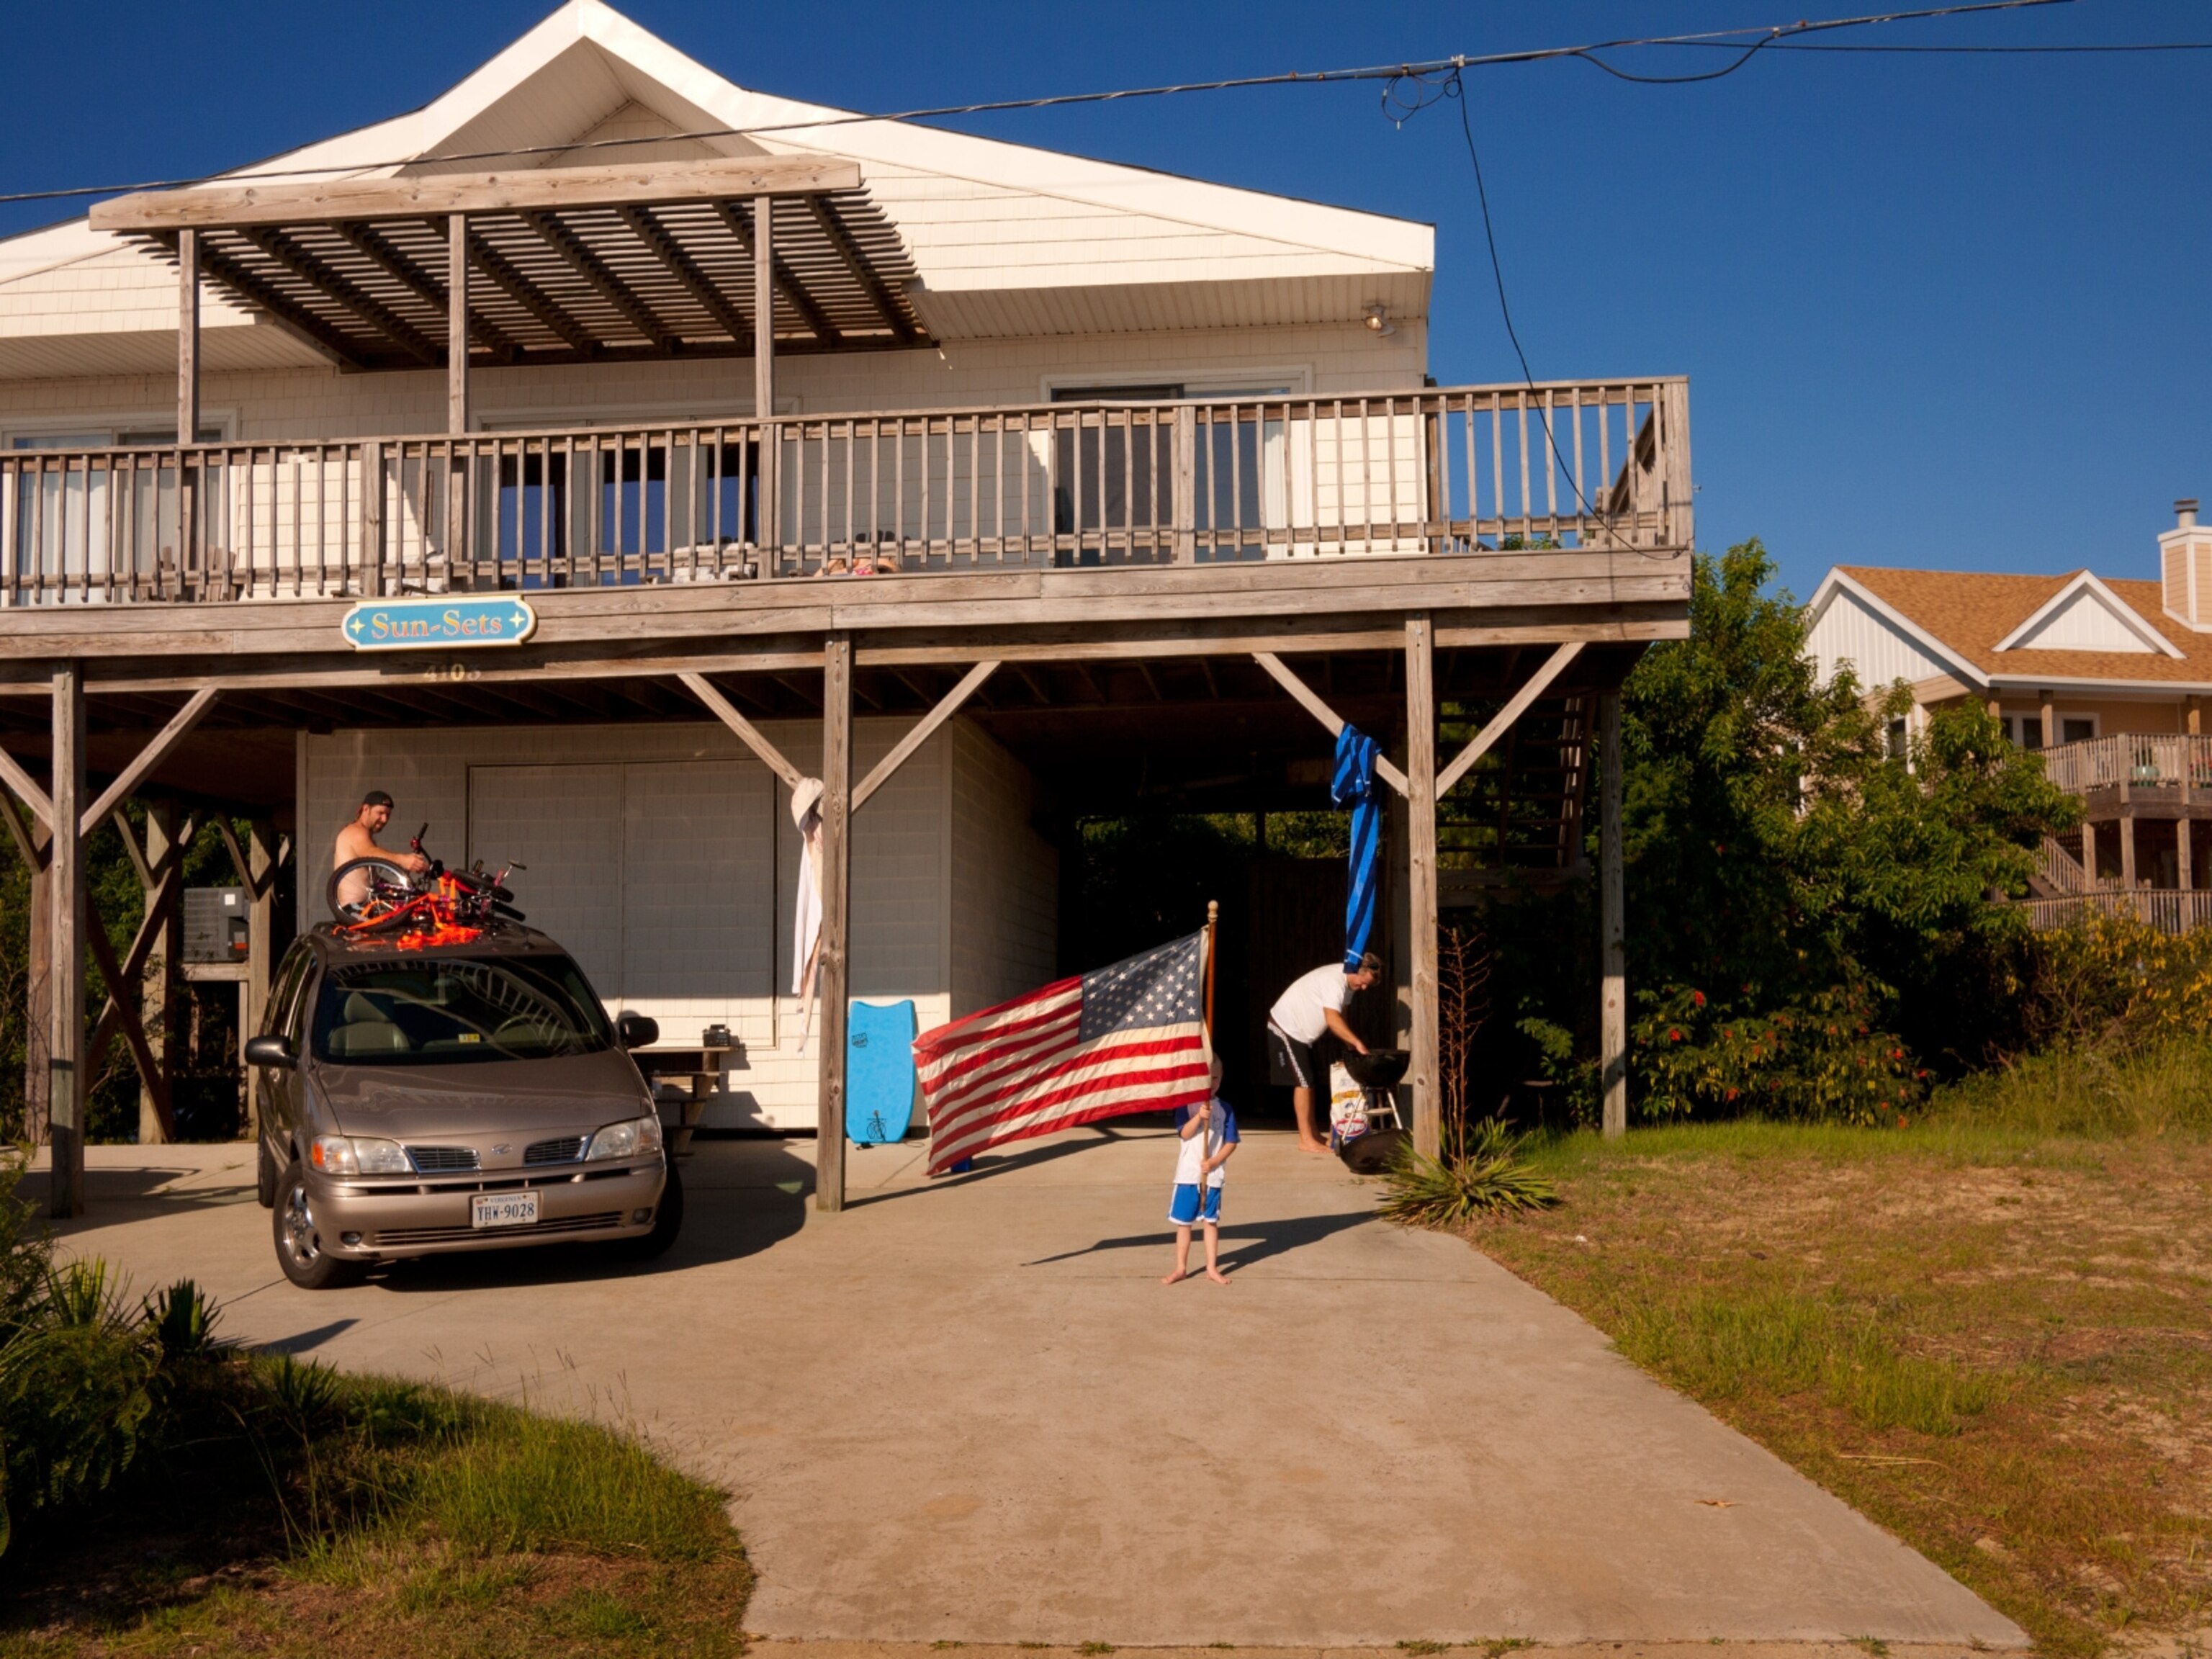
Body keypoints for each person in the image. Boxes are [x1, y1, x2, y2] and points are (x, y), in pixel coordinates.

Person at [1267, 953, 1382, 1154]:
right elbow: (1332, 1019)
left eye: (1368, 986)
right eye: (1364, 983)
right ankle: (1305, 1140)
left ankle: (1312, 1134)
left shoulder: (1348, 983)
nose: (1364, 988)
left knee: (1309, 1080)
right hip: (1286, 1028)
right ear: (1356, 971)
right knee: (1303, 1082)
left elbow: (1341, 1013)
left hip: (1302, 1035)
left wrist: (1349, 1045)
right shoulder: (1334, 982)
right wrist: (1357, 1042)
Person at [1162, 1060, 1238, 1286]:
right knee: (1184, 1223)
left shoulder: (1226, 1109)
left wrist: (1215, 1161)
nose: (1211, 1083)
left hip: (1212, 1176)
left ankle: (1212, 1268)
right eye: (1207, 1078)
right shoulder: (1186, 1105)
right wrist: (1199, 1117)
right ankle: (1181, 1268)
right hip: (1188, 1175)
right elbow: (1184, 1134)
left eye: (1216, 1078)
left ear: (1221, 1078)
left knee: (1210, 1222)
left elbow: (1231, 1141)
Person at [333, 790, 429, 912]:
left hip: (364, 907)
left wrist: (396, 887)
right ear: (366, 809)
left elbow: (369, 878)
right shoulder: (356, 831)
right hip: (353, 909)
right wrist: (403, 860)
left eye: (388, 815)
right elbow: (370, 852)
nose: (384, 819)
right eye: (380, 813)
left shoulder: (364, 834)